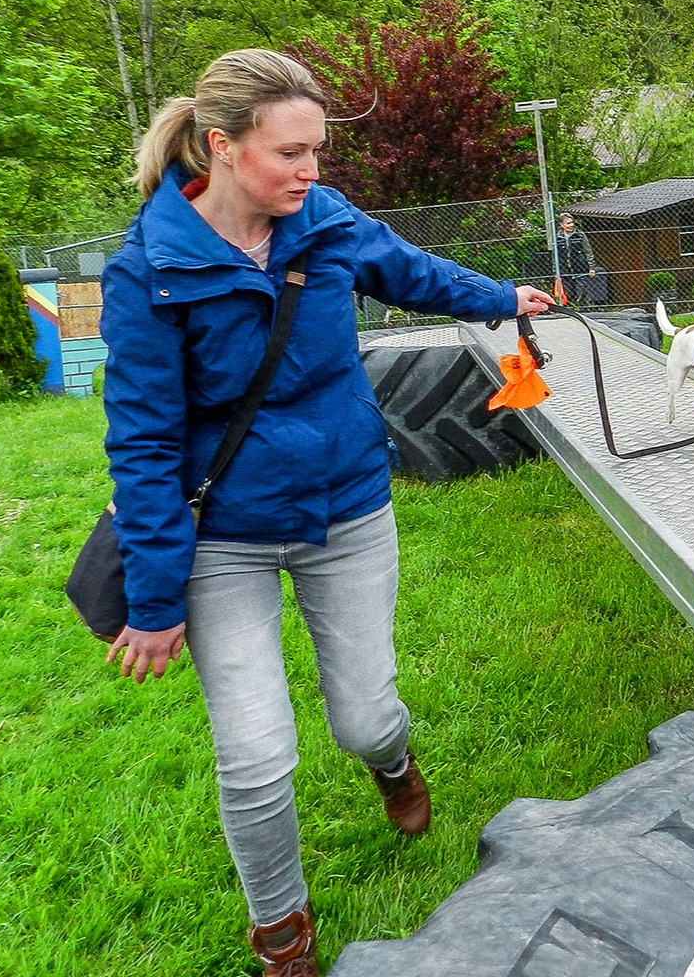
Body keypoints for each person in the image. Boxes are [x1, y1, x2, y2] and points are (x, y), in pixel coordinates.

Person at [100, 49, 550, 977]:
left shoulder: (325, 220)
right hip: (224, 534)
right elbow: (142, 446)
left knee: (364, 718)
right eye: (291, 153)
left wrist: (501, 297)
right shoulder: (149, 272)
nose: (312, 171)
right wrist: (152, 602)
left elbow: (412, 273)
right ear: (222, 147)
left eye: (318, 152)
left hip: (346, 511)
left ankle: (391, 763)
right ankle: (283, 936)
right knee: (257, 755)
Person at [554, 212, 596, 305]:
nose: (571, 225)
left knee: (582, 291)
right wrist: (555, 270)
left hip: (580, 266)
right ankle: (570, 309)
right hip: (564, 268)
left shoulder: (580, 235)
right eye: (568, 223)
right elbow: (555, 254)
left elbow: (588, 251)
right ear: (561, 225)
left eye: (572, 222)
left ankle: (583, 309)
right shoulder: (557, 237)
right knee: (569, 292)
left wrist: (591, 267)